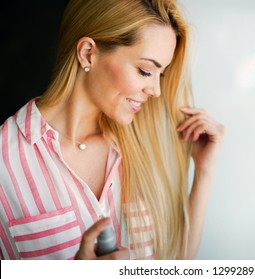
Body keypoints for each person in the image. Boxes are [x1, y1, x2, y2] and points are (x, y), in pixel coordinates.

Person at [0, 0, 225, 260]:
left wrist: (204, 171)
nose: (156, 91)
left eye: (160, 75)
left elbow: (174, 263)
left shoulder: (140, 146)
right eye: (145, 71)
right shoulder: (5, 164)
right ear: (88, 53)